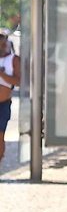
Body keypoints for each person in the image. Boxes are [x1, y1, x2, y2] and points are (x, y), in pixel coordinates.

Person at [0, 28, 19, 168]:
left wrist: (2, 75)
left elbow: (18, 81)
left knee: (0, 136)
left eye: (4, 42)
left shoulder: (13, 60)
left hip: (3, 104)